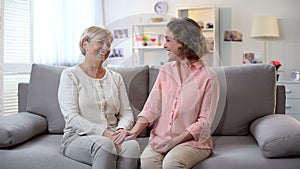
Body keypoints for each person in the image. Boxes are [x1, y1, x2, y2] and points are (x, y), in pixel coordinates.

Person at [114, 17, 220, 169]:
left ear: (183, 42)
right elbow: (152, 106)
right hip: (161, 137)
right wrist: (135, 131)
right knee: (148, 160)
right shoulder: (166, 70)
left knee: (172, 163)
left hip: (192, 142)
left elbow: (204, 123)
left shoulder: (208, 77)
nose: (164, 46)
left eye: (168, 40)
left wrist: (173, 142)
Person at [58, 26, 140, 169]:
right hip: (78, 137)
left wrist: (121, 130)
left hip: (112, 135)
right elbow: (72, 117)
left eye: (108, 44)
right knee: (105, 145)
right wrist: (105, 134)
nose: (105, 48)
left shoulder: (116, 78)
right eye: (100, 42)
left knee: (132, 146)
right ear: (85, 44)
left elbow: (126, 113)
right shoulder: (70, 75)